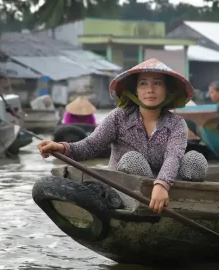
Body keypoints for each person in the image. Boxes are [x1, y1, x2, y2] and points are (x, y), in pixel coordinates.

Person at [37, 58, 208, 214]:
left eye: (157, 83)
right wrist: (61, 147)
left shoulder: (176, 124)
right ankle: (149, 201)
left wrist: (162, 183)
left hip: (165, 190)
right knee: (132, 160)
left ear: (167, 90)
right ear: (135, 90)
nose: (150, 89)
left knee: (195, 160)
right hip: (124, 193)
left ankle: (179, 203)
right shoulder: (119, 117)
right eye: (143, 84)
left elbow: (174, 156)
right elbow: (91, 146)